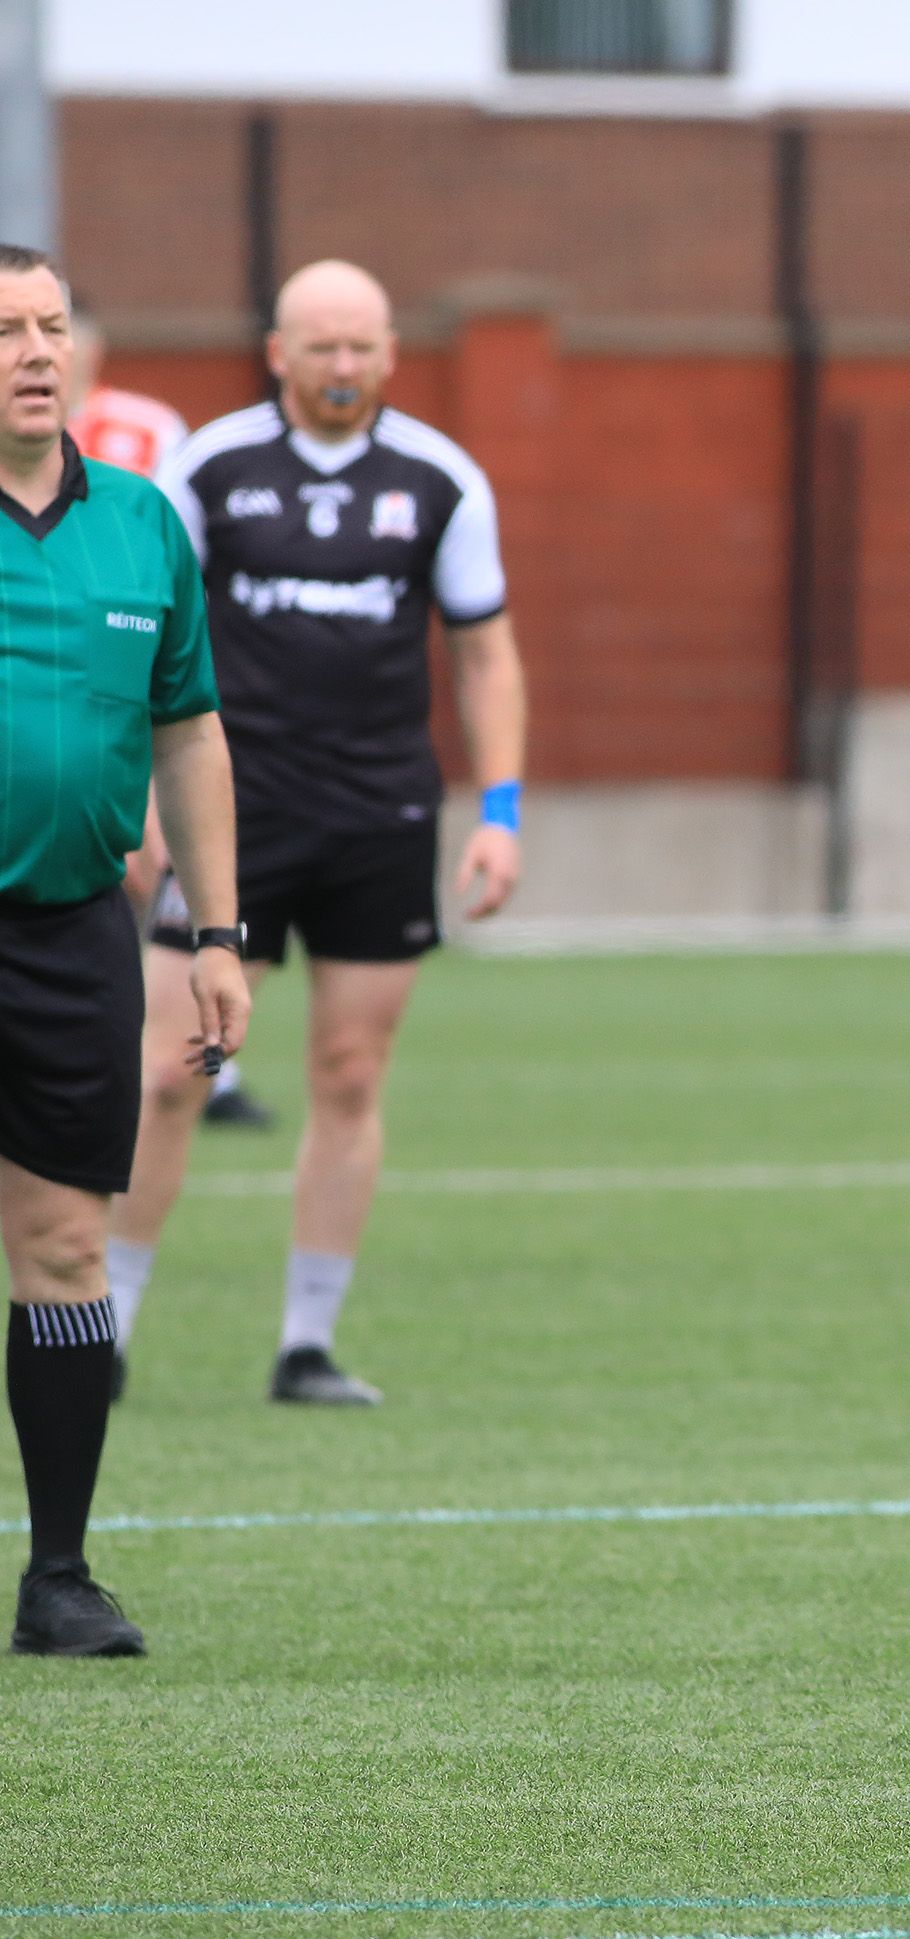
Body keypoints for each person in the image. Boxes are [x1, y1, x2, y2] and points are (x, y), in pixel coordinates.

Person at [106, 259, 526, 1407]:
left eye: (363, 346)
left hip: (379, 810)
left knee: (348, 1072)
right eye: (321, 346)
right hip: (229, 815)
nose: (344, 367)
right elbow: (143, 636)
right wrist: (143, 791)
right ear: (278, 352)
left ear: (391, 352)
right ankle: (108, 1331)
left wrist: (499, 811)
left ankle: (306, 1343)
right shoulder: (212, 469)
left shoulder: (441, 479)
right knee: (168, 1074)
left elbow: (484, 653)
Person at [0, 244, 251, 1654]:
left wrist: (214, 929)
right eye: (7, 331)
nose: (37, 351)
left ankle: (58, 1575)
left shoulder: (143, 525)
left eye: (51, 327)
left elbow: (191, 728)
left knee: (65, 1240)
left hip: (74, 930)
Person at [64, 314, 276, 1135]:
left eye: (61, 329)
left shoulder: (150, 433)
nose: (49, 350)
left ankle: (193, 1068)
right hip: (55, 710)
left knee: (153, 887)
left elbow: (180, 584)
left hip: (135, 698)